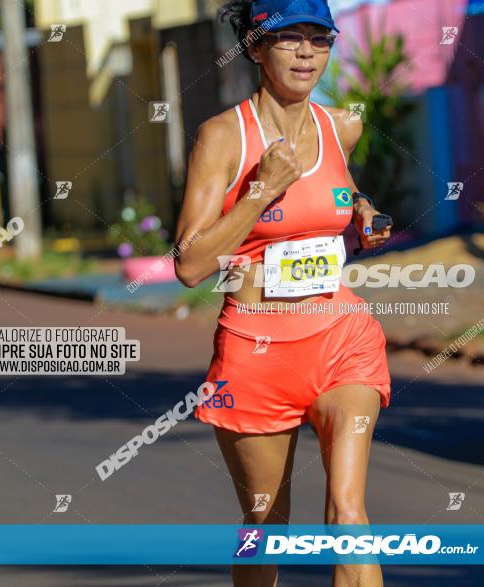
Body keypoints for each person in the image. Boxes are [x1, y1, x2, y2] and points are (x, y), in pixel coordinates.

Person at [174, 0, 392, 585]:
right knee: (267, 525)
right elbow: (190, 265)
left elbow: (336, 193)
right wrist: (259, 191)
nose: (305, 52)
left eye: (319, 39)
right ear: (254, 46)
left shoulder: (342, 124)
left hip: (342, 336)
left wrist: (362, 210)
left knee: (350, 514)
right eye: (289, 38)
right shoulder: (223, 137)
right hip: (255, 347)